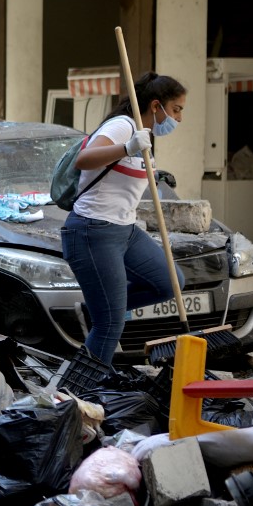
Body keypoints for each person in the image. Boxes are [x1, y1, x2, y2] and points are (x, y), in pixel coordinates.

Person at [60, 72, 186, 367]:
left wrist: (153, 174)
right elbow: (85, 159)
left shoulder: (144, 133)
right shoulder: (123, 126)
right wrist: (127, 147)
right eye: (177, 109)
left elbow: (121, 173)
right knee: (110, 326)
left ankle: (99, 307)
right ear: (157, 106)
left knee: (170, 282)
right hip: (94, 230)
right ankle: (78, 397)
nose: (179, 118)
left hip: (124, 230)